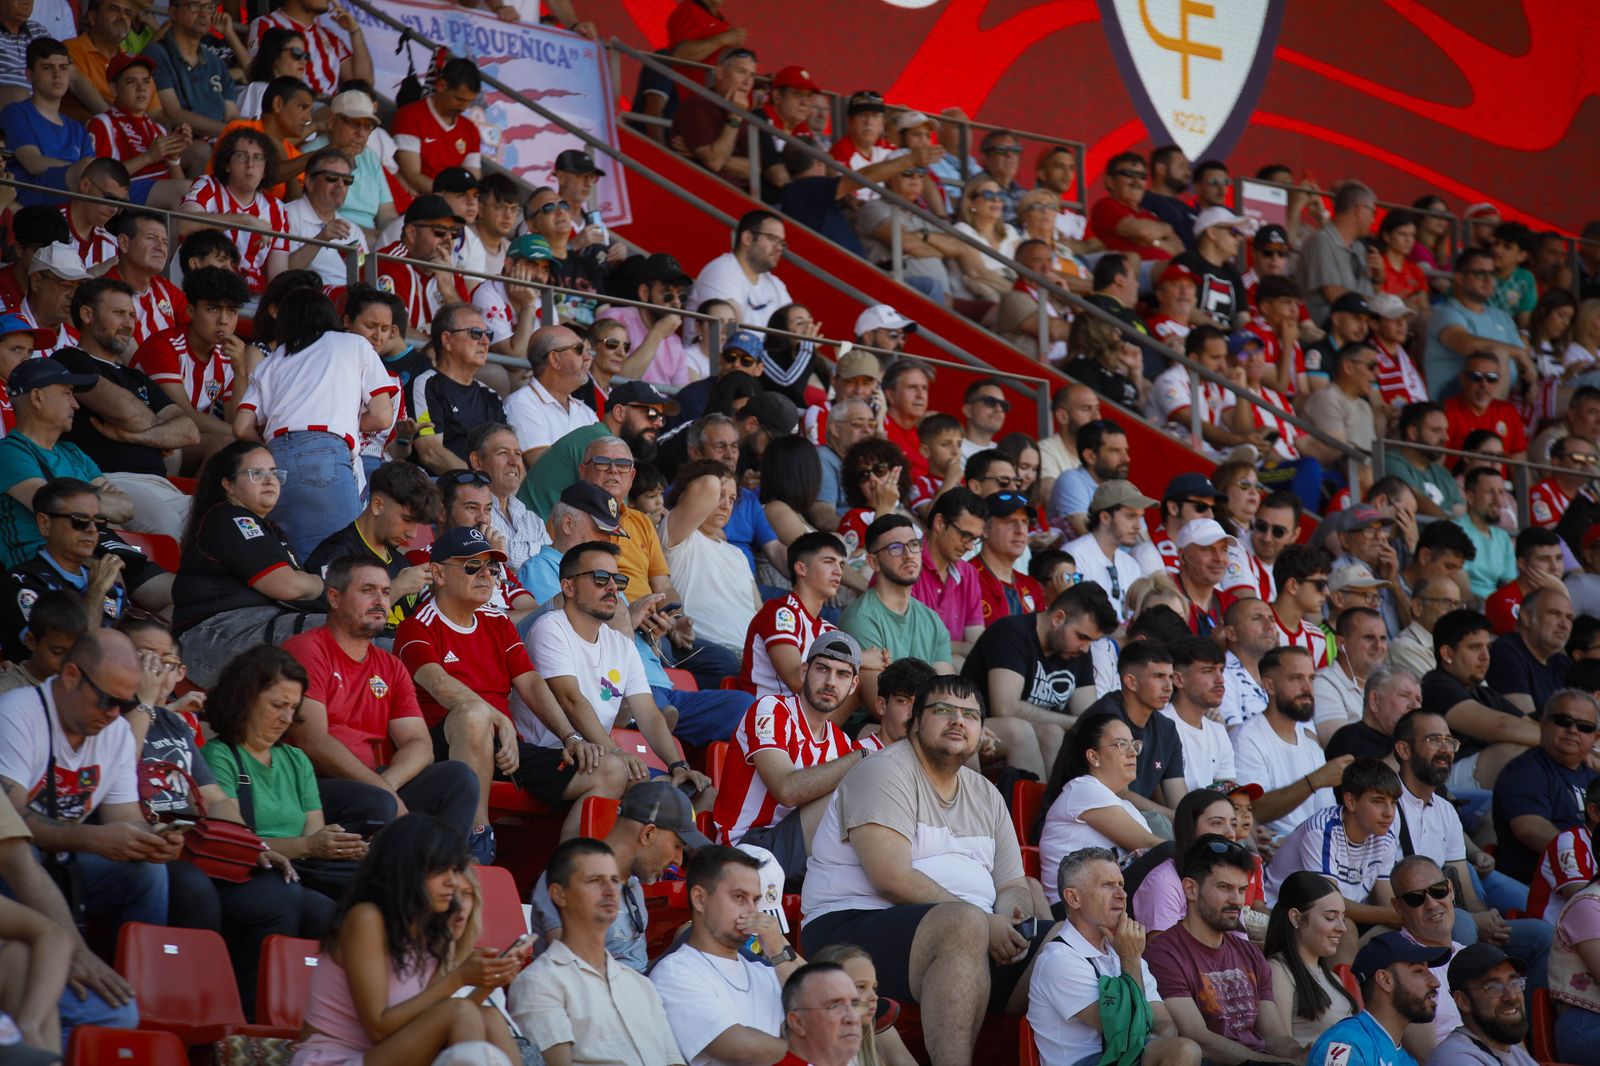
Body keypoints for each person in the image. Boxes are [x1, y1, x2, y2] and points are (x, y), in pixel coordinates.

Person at [802, 674, 1052, 1066]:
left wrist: (1007, 917)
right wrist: (986, 923)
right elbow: (891, 878)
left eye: (970, 715)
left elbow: (1013, 883)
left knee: (1068, 942)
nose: (958, 721)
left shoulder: (986, 793)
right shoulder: (885, 771)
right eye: (943, 711)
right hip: (852, 926)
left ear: (981, 731)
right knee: (964, 924)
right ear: (916, 721)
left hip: (963, 932)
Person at [395, 527, 605, 855]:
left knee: (609, 770)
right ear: (437, 573)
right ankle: (476, 839)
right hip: (443, 751)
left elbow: (532, 684)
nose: (485, 576)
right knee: (473, 715)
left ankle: (567, 878)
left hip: (505, 749)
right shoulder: (416, 626)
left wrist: (570, 736)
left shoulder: (498, 622)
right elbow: (439, 684)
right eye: (471, 566)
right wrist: (500, 721)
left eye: (491, 569)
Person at [291, 814, 523, 1065]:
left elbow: (427, 1016)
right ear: (406, 868)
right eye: (440, 870)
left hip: (389, 1053)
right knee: (460, 1011)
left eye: (454, 870)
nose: (452, 882)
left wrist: (488, 980)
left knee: (490, 1016)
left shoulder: (431, 927)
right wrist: (460, 977)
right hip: (337, 1059)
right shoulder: (367, 917)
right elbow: (378, 1028)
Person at [283, 555, 478, 840]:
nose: (380, 601)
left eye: (386, 592)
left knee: (458, 779)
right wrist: (381, 792)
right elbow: (313, 740)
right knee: (379, 803)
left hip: (375, 784)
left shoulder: (391, 665)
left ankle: (440, 870)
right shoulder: (306, 649)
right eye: (367, 590)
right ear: (334, 598)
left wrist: (385, 784)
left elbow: (420, 744)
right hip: (313, 784)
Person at [524, 541, 710, 836]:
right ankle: (572, 873)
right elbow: (571, 701)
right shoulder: (551, 628)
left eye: (618, 580)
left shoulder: (621, 645)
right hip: (547, 755)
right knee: (618, 771)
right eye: (600, 578)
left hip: (595, 759)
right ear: (568, 587)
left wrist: (678, 765)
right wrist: (614, 752)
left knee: (692, 792)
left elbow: (648, 712)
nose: (613, 587)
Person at [232, 288, 394, 559]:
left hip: (273, 460)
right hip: (325, 453)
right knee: (342, 564)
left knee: (294, 563)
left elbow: (240, 427)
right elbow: (382, 415)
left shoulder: (273, 361)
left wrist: (270, 448)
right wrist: (346, 421)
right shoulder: (353, 344)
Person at [509, 837, 686, 1066]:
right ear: (559, 894)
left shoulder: (641, 985)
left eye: (615, 881)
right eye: (594, 881)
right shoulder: (537, 983)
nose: (611, 891)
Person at [169, 441, 324, 685]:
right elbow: (287, 587)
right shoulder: (229, 518)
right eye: (256, 473)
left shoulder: (270, 529)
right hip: (212, 638)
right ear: (229, 485)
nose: (269, 480)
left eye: (274, 472)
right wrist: (319, 582)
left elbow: (294, 587)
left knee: (353, 633)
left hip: (250, 630)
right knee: (342, 634)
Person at [1028, 846, 1199, 1066]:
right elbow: (1124, 1032)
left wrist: (1156, 1046)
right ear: (1073, 898)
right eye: (1107, 885)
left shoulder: (1124, 951)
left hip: (1124, 1058)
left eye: (1121, 885)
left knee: (1182, 1050)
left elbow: (1165, 1024)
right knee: (1184, 1050)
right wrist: (1131, 959)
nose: (1121, 894)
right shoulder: (1059, 960)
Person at [715, 630, 866, 879]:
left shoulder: (842, 743)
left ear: (853, 686)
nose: (830, 681)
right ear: (805, 671)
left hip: (804, 857)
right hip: (745, 851)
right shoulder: (771, 710)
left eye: (842, 674)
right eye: (822, 669)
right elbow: (786, 789)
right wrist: (860, 758)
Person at [1144, 834, 1303, 1061]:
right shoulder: (1162, 954)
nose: (1237, 900)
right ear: (1190, 889)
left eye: (1241, 890)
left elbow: (1276, 1038)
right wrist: (1278, 1064)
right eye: (1225, 887)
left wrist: (1305, 1055)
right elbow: (1199, 1038)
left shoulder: (1250, 953)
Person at [527, 779, 709, 975]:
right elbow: (577, 975)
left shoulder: (633, 888)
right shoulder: (570, 878)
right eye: (677, 846)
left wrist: (680, 948)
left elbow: (635, 973)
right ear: (648, 834)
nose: (679, 860)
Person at [649, 845, 800, 1066]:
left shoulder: (768, 971)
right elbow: (741, 1050)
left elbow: (820, 1009)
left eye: (755, 900)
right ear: (700, 899)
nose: (752, 911)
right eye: (739, 897)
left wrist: (778, 947)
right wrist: (812, 1053)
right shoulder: (675, 973)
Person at [961, 584, 1116, 779]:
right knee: (1023, 731)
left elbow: (1089, 715)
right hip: (976, 729)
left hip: (1034, 738)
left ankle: (1057, 807)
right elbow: (1006, 708)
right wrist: (1075, 722)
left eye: (1091, 641)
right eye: (1082, 637)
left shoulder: (1079, 651)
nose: (1085, 648)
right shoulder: (1011, 633)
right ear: (1058, 618)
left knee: (1053, 733)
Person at [1264, 758, 1402, 951]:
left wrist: (1401, 917)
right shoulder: (1321, 830)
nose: (1389, 813)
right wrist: (1397, 916)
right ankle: (1340, 981)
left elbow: (1385, 900)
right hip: (1281, 917)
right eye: (1378, 801)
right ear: (1351, 801)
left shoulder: (1384, 835)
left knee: (1402, 934)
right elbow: (1329, 903)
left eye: (1393, 803)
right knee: (1344, 929)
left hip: (1327, 918)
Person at [130, 265, 253, 465]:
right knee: (228, 445)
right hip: (149, 439)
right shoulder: (163, 345)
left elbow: (234, 420)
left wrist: (240, 372)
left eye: (232, 311)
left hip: (189, 440)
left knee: (237, 449)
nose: (223, 320)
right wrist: (245, 437)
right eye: (213, 309)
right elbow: (183, 414)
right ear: (190, 310)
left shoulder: (229, 357)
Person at [1037, 714, 1162, 908]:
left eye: (1134, 745)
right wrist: (1198, 853)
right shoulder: (1082, 789)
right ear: (1093, 756)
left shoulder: (1126, 807)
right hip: (1071, 907)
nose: (1132, 753)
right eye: (1121, 745)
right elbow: (1150, 845)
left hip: (1107, 899)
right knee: (1170, 855)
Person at [1233, 647, 1351, 840]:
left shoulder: (1309, 741)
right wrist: (1314, 781)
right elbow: (1253, 811)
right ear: (1269, 686)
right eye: (1296, 678)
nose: (1307, 688)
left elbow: (1326, 815)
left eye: (1311, 678)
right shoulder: (1247, 738)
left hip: (1315, 848)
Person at [303, 461, 440, 624]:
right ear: (377, 505)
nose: (413, 533)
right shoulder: (337, 555)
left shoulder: (402, 565)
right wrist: (396, 588)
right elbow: (330, 625)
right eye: (406, 519)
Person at [841, 515, 953, 703]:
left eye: (914, 545)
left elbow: (945, 688)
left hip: (926, 716)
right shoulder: (860, 618)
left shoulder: (932, 620)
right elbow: (884, 704)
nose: (909, 554)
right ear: (873, 562)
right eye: (895, 548)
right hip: (872, 725)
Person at [1421, 608, 1536, 793]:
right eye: (1475, 647)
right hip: (1442, 778)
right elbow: (1502, 726)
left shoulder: (1485, 693)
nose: (1486, 657)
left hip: (1478, 775)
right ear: (1448, 653)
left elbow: (1529, 725)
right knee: (1513, 753)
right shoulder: (1435, 685)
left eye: (1487, 648)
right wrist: (1564, 745)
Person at [1493, 689, 1600, 885]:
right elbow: (1530, 829)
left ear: (1595, 738)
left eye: (1584, 727)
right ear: (1543, 723)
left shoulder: (1593, 776)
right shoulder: (1524, 771)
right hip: (1535, 888)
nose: (1573, 730)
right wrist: (1588, 861)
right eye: (1563, 721)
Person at [1078, 641, 1189, 821]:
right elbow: (1119, 792)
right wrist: (1177, 818)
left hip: (1131, 820)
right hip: (1087, 819)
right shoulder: (1105, 718)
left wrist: (1189, 819)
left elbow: (1179, 799)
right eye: (1159, 676)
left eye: (1170, 677)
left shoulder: (1167, 729)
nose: (1168, 686)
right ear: (1131, 682)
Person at [1305, 931, 1449, 1066]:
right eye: (1419, 971)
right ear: (1385, 980)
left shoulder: (1407, 1060)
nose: (1435, 982)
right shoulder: (1346, 1045)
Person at [741, 531, 848, 698]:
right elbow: (797, 681)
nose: (838, 571)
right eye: (829, 562)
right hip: (765, 716)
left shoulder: (829, 630)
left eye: (841, 565)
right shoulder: (780, 612)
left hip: (803, 718)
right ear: (801, 568)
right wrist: (859, 660)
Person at [1423, 248, 1534, 403]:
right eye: (1480, 274)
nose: (1488, 280)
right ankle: (1493, 421)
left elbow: (1522, 363)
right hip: (1454, 399)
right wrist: (1519, 352)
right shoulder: (1446, 312)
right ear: (1460, 278)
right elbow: (1467, 344)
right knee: (1498, 354)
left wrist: (1532, 384)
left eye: (1492, 274)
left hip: (1510, 395)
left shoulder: (1502, 316)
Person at [1263, 872, 1358, 1051]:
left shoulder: (1333, 978)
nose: (1342, 928)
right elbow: (1279, 1047)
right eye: (1330, 917)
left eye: (1343, 918)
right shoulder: (1278, 971)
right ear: (1296, 918)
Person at [1128, 788, 1243, 935]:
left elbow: (1239, 946)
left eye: (1233, 824)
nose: (1230, 834)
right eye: (1217, 823)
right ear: (1190, 828)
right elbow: (1163, 953)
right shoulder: (1164, 882)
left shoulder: (1231, 881)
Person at [407, 303, 506, 472]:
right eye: (475, 333)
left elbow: (507, 453)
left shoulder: (491, 395)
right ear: (447, 340)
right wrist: (479, 484)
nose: (485, 341)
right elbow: (431, 453)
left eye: (488, 334)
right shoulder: (426, 385)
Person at [1426, 942, 1538, 1066]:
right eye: (1494, 987)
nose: (1511, 996)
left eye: (1514, 982)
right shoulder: (1455, 1059)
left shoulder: (1517, 1055)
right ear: (1463, 1001)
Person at [1065, 479, 1154, 622]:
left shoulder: (1130, 564)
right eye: (1131, 516)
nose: (1138, 526)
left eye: (1140, 517)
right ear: (1105, 517)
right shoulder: (1074, 556)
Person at [688, 210, 793, 329]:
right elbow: (727, 335)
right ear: (747, 238)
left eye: (782, 243)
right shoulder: (721, 271)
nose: (779, 248)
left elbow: (791, 333)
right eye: (773, 239)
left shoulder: (777, 285)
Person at [913, 488, 987, 656]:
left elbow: (976, 639)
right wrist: (962, 648)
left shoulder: (969, 573)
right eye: (965, 535)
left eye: (974, 539)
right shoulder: (906, 563)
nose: (969, 546)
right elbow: (910, 641)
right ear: (939, 523)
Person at [1296, 181, 1377, 324]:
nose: (1373, 219)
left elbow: (1368, 296)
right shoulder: (1321, 240)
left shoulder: (1359, 248)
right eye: (1372, 212)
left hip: (1356, 329)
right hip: (1324, 331)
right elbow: (1334, 295)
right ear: (1359, 210)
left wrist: (1378, 279)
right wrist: (1378, 306)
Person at [1488, 585, 1575, 715]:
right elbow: (1524, 720)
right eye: (1554, 613)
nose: (1564, 624)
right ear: (1526, 617)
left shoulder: (1563, 663)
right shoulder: (1505, 652)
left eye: (1569, 618)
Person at [1163, 636, 1236, 790]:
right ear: (1178, 679)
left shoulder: (1218, 732)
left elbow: (1229, 793)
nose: (1220, 680)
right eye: (1208, 671)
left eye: (1221, 670)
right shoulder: (1159, 725)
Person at [1314, 608, 1393, 743]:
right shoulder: (1323, 683)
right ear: (1341, 643)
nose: (1378, 645)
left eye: (1383, 638)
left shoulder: (1390, 685)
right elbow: (1341, 745)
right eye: (1368, 637)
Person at [1326, 664, 1423, 762]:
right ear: (1374, 700)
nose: (1415, 706)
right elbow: (1370, 777)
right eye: (1404, 695)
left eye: (1418, 700)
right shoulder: (1348, 739)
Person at [1484, 528, 1568, 637]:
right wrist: (1561, 592)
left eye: (1559, 558)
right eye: (1544, 559)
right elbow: (1534, 644)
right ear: (1522, 564)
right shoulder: (1501, 600)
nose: (1554, 567)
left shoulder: (1559, 592)